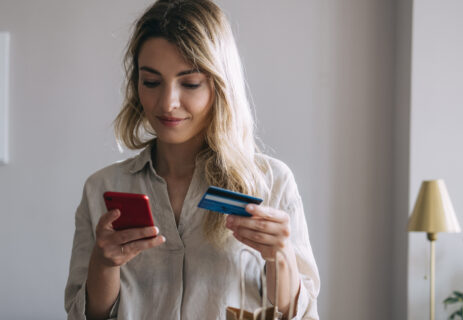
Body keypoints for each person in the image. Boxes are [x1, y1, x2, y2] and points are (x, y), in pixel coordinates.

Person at [64, 0, 319, 319]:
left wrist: (281, 257)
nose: (168, 103)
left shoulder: (273, 183)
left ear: (220, 86)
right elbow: (84, 315)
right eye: (151, 82)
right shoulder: (101, 189)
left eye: (190, 83)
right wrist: (104, 264)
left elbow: (300, 314)